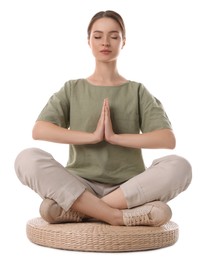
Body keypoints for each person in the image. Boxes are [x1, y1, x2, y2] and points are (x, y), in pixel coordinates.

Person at [14, 10, 192, 227]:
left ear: (123, 41)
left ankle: (85, 210)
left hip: (128, 188)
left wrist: (115, 137)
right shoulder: (72, 88)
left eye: (114, 36)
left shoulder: (137, 91)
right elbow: (40, 130)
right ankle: (115, 216)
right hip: (79, 185)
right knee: (27, 158)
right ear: (88, 41)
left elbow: (167, 139)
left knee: (180, 166)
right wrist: (92, 137)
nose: (105, 42)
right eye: (97, 36)